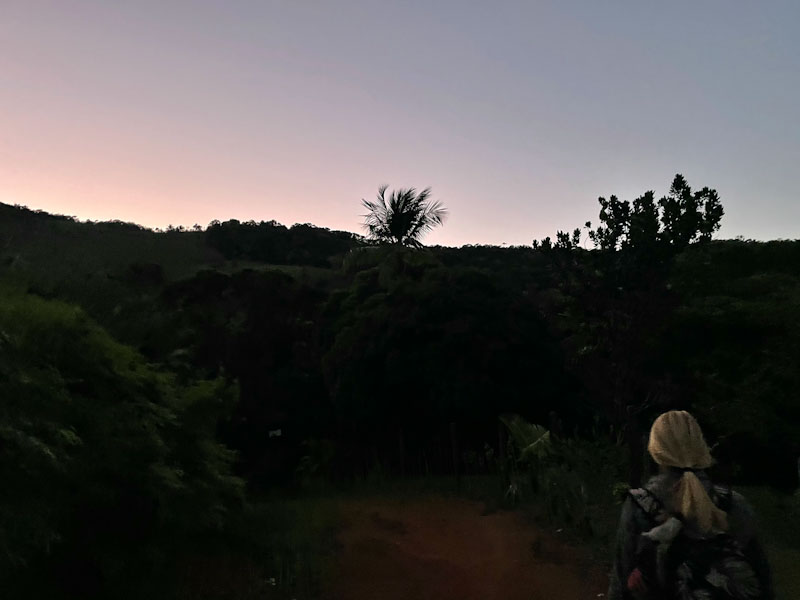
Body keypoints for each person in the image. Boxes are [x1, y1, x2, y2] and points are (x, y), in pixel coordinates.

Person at [607, 410, 773, 600]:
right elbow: (763, 583)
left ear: (655, 451)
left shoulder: (640, 506)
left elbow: (620, 586)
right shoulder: (734, 504)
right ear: (700, 447)